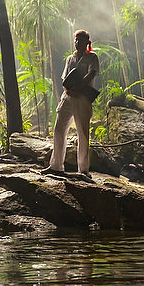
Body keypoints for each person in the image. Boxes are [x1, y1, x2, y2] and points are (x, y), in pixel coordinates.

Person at [45, 29, 100, 178]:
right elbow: (64, 77)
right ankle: (56, 166)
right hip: (68, 96)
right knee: (58, 129)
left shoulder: (92, 57)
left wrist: (79, 88)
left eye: (81, 40)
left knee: (82, 132)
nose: (77, 43)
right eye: (76, 40)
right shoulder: (70, 58)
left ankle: (83, 169)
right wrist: (68, 89)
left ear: (87, 42)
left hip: (82, 98)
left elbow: (92, 73)